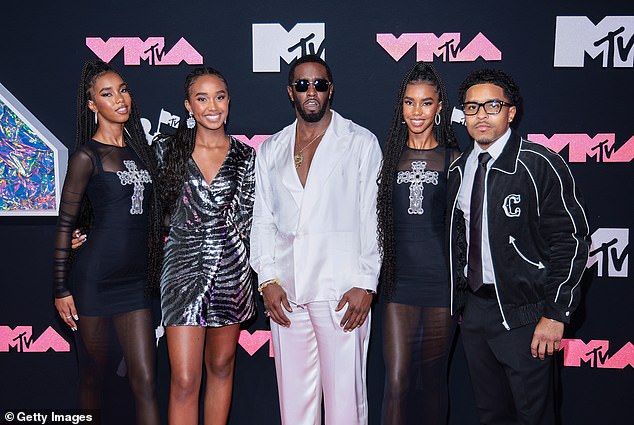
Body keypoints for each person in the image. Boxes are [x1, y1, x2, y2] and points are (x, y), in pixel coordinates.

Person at [448, 68, 589, 425]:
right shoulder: (459, 170)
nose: (481, 115)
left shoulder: (539, 163)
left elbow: (570, 240)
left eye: (492, 105)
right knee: (492, 414)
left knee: (535, 416)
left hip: (527, 315)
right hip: (476, 313)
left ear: (511, 112)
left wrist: (556, 314)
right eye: (472, 107)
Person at [250, 54, 382, 425]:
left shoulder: (359, 142)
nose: (312, 92)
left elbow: (372, 217)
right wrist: (268, 279)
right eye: (303, 85)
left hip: (341, 290)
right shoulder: (272, 148)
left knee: (345, 401)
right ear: (290, 91)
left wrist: (365, 283)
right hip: (287, 292)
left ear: (331, 90)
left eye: (319, 84)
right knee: (294, 403)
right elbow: (262, 219)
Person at [52, 59, 163, 424]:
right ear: (91, 105)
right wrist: (61, 288)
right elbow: (67, 222)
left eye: (123, 89)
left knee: (145, 381)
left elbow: (151, 216)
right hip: (94, 283)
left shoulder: (141, 152)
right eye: (107, 93)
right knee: (92, 379)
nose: (119, 99)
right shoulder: (86, 155)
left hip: (135, 286)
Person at [155, 67, 256, 425]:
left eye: (220, 96)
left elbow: (250, 221)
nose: (212, 106)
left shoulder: (246, 156)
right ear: (188, 106)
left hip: (231, 271)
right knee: (184, 379)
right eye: (202, 98)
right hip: (181, 270)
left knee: (221, 365)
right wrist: (86, 227)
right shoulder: (167, 150)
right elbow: (136, 202)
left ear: (228, 101)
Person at [377, 62, 459, 424]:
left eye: (426, 103)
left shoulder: (455, 160)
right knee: (396, 382)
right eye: (410, 103)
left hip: (443, 286)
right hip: (399, 285)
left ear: (439, 106)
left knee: (432, 384)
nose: (417, 111)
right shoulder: (388, 160)